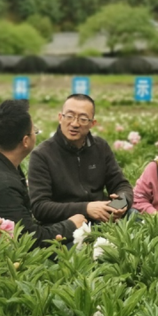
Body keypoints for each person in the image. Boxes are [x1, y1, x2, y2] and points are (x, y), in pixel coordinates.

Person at [0, 100, 86, 247]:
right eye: (34, 131)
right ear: (25, 141)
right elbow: (29, 239)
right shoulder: (0, 183)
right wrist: (71, 225)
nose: (35, 134)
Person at [28, 94, 133, 224]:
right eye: (70, 116)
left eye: (83, 119)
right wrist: (86, 209)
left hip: (103, 216)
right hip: (66, 225)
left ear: (92, 123)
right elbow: (40, 207)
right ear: (60, 118)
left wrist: (120, 204)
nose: (75, 123)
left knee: (135, 216)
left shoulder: (100, 147)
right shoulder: (42, 155)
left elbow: (121, 185)